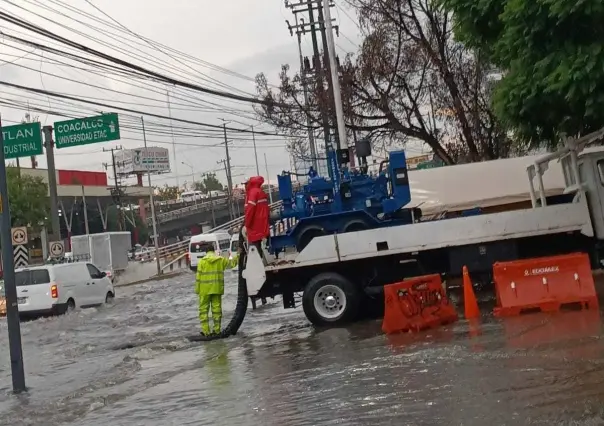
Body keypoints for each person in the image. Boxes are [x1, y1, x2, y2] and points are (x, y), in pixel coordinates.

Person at [195, 243, 239, 336]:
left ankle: (206, 332)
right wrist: (238, 255)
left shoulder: (202, 262)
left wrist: (197, 290)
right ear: (214, 251)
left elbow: (198, 278)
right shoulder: (220, 260)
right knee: (217, 310)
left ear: (205, 252)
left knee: (203, 311)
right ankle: (217, 330)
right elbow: (232, 263)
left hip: (204, 290)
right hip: (216, 289)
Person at [243, 176, 270, 252]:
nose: (244, 186)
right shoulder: (260, 192)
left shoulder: (252, 193)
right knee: (260, 251)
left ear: (250, 183)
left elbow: (250, 211)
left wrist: (246, 225)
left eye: (246, 184)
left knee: (254, 252)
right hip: (262, 226)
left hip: (254, 228)